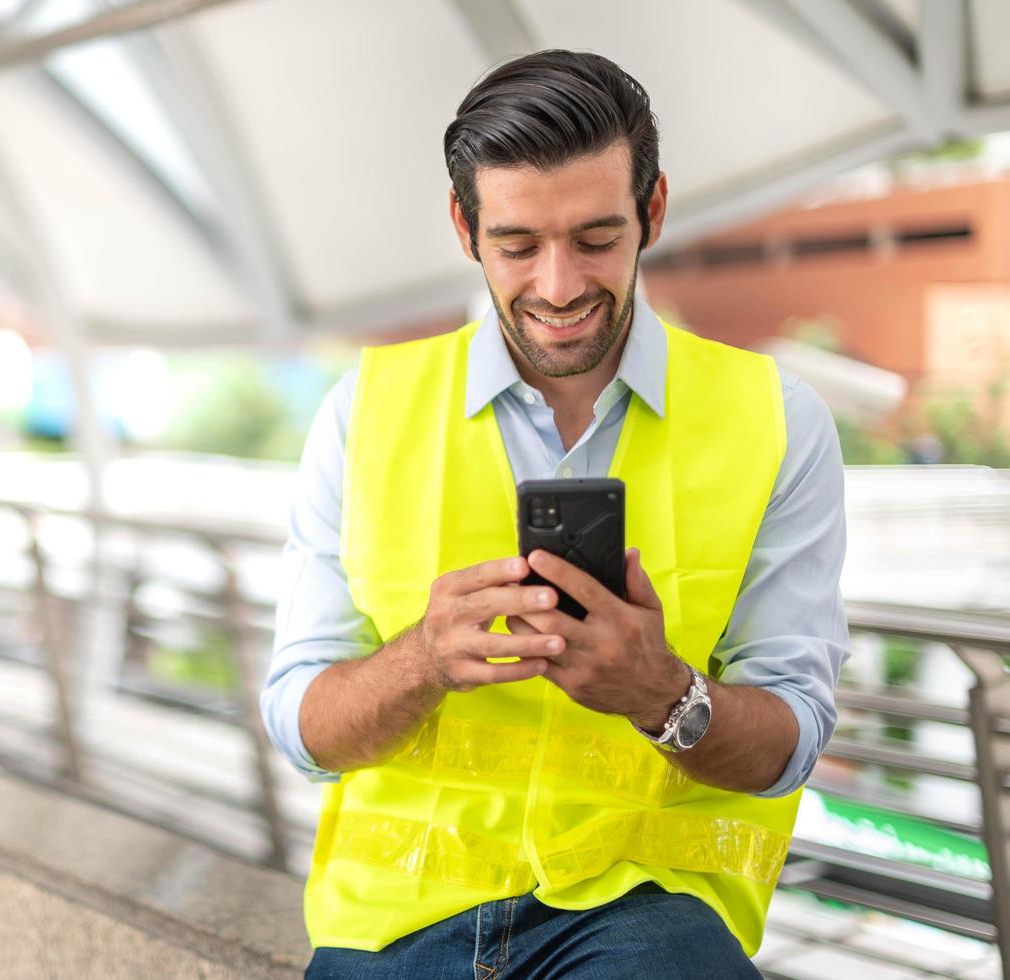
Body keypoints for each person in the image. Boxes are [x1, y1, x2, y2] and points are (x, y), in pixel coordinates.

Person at [261, 49, 848, 979]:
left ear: (652, 211)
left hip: (647, 914)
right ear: (465, 228)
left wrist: (665, 697)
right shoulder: (362, 411)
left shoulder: (778, 421)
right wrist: (421, 660)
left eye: (596, 237)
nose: (560, 286)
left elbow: (791, 744)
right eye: (519, 245)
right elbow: (302, 728)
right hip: (397, 924)